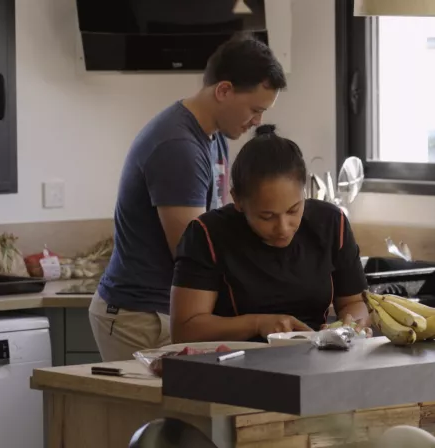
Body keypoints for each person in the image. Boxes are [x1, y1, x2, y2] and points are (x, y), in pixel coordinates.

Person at [89, 34, 287, 361]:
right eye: (255, 109)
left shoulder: (214, 135)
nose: (257, 122)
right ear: (224, 90)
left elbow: (217, 226)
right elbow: (191, 251)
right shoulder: (179, 147)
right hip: (139, 316)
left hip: (162, 309)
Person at [170, 125, 371, 342]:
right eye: (267, 217)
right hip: (235, 357)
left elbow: (354, 302)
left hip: (315, 353)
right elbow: (185, 330)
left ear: (304, 192)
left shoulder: (331, 222)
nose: (283, 227)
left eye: (293, 210)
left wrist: (352, 324)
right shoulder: (207, 233)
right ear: (237, 200)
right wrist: (257, 324)